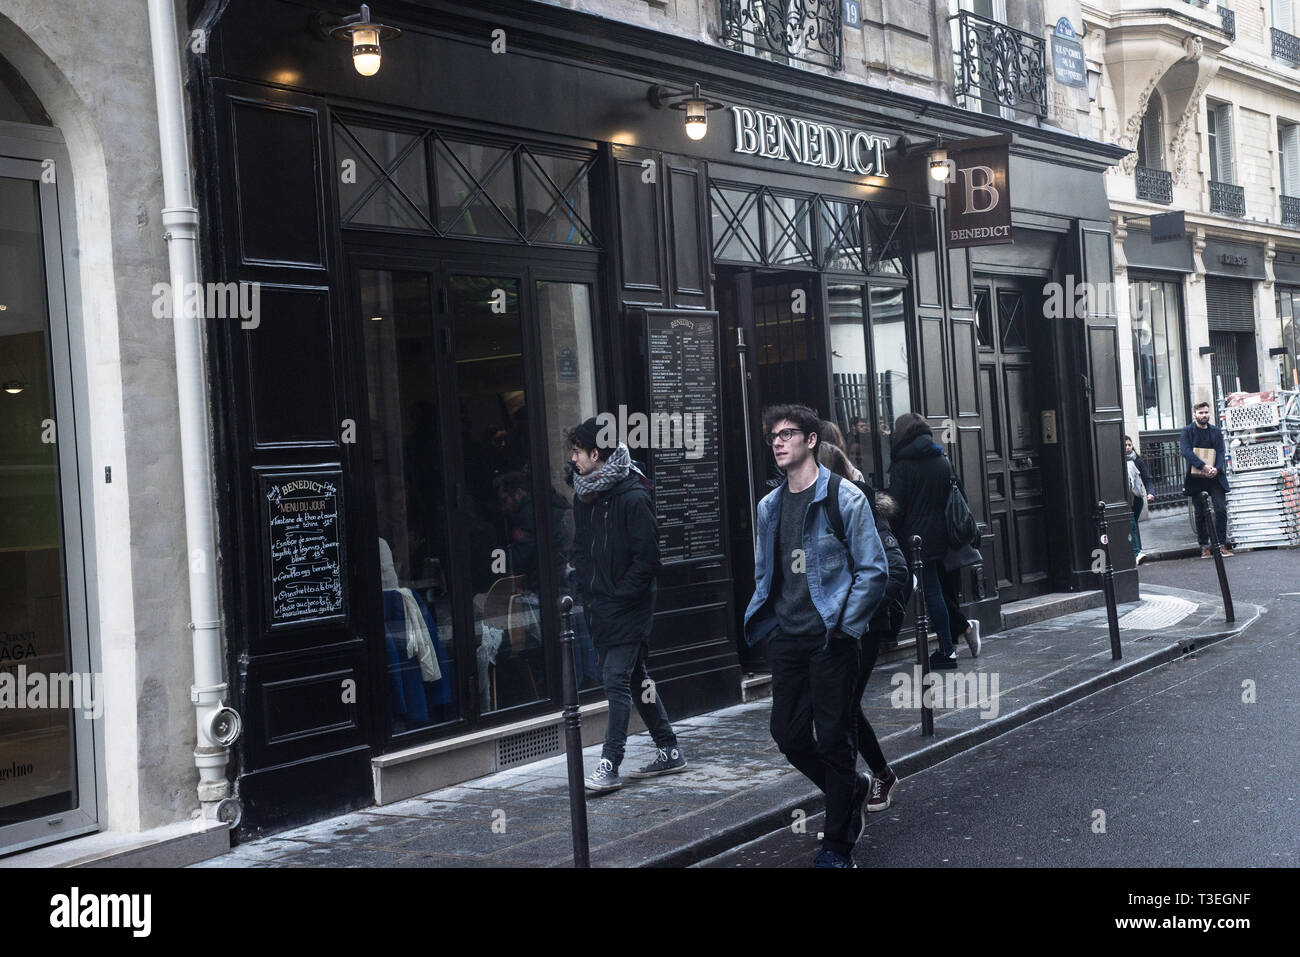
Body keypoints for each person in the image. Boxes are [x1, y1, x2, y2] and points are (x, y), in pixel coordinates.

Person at [744, 404, 889, 868]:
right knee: (787, 735)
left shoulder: (844, 499)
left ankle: (837, 846)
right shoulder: (769, 507)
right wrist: (770, 624)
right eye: (772, 437)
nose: (777, 442)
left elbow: (874, 570)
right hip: (788, 638)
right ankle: (852, 790)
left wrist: (846, 627)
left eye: (787, 434)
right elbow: (768, 574)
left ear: (811, 440)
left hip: (832, 637)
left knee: (834, 740)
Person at [567, 417, 686, 792]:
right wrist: (585, 587)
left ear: (595, 453)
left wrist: (619, 595)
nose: (572, 459)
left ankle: (609, 763)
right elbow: (581, 549)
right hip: (599, 605)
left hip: (629, 606)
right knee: (636, 677)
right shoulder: (584, 495)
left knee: (615, 680)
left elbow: (648, 560)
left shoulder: (633, 496)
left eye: (576, 451)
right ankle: (669, 749)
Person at [818, 440, 904, 813]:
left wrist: (856, 614)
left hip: (863, 628)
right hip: (825, 630)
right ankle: (860, 782)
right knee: (836, 709)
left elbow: (895, 569)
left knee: (844, 707)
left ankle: (869, 782)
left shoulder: (859, 505)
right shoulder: (810, 509)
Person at [887, 412, 975, 669]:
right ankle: (949, 644)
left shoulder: (903, 465)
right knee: (934, 590)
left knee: (932, 592)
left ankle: (947, 651)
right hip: (942, 536)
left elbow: (896, 505)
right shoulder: (942, 459)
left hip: (915, 539)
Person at [1180, 402, 1234, 558]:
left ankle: (1221, 545)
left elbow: (1221, 451)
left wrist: (1216, 468)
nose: (1204, 415)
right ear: (1194, 415)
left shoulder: (1216, 432)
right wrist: (1203, 466)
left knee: (1221, 510)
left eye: (1206, 412)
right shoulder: (1187, 432)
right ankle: (1204, 546)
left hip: (1215, 477)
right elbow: (1186, 451)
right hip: (1197, 478)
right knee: (1201, 513)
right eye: (1201, 413)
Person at [1125, 435, 1156, 564]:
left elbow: (1147, 478)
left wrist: (1150, 492)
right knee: (1131, 523)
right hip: (1125, 499)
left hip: (1137, 498)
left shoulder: (1137, 460)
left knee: (1133, 524)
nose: (1127, 447)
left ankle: (1133, 550)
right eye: (1125, 445)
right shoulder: (1116, 460)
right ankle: (1137, 553)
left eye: (1129, 445)